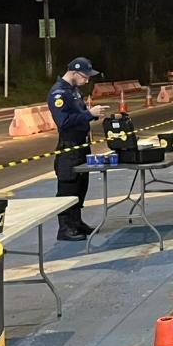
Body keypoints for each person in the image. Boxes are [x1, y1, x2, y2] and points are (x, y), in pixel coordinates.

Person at [48, 57, 109, 240]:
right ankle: (65, 228)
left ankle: (76, 222)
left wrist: (92, 114)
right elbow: (64, 122)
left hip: (81, 145)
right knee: (68, 187)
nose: (87, 80)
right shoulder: (59, 93)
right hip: (69, 147)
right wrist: (88, 114)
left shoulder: (73, 90)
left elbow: (79, 114)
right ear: (74, 72)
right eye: (85, 76)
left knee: (81, 185)